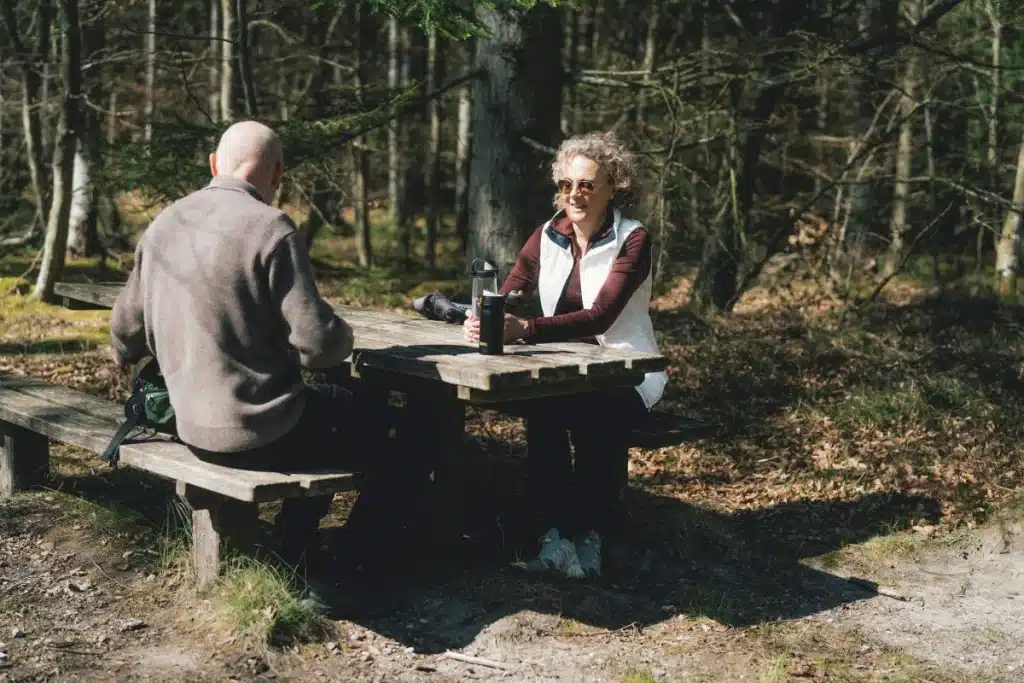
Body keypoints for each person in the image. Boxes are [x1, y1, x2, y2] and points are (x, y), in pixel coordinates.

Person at [109, 121, 429, 583]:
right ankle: (346, 568)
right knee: (410, 441)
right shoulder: (271, 229)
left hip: (189, 425)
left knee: (335, 412)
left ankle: (296, 540)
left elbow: (124, 333)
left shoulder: (165, 224)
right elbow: (320, 347)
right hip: (260, 431)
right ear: (278, 174)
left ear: (214, 164)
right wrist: (343, 331)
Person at [464, 131, 668, 579]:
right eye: (567, 185)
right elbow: (512, 289)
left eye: (587, 184)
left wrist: (527, 330)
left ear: (614, 187)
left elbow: (600, 317)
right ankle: (555, 539)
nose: (574, 194)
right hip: (563, 370)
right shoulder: (547, 235)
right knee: (546, 408)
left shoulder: (633, 240)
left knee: (595, 415)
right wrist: (487, 315)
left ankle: (592, 539)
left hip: (629, 372)